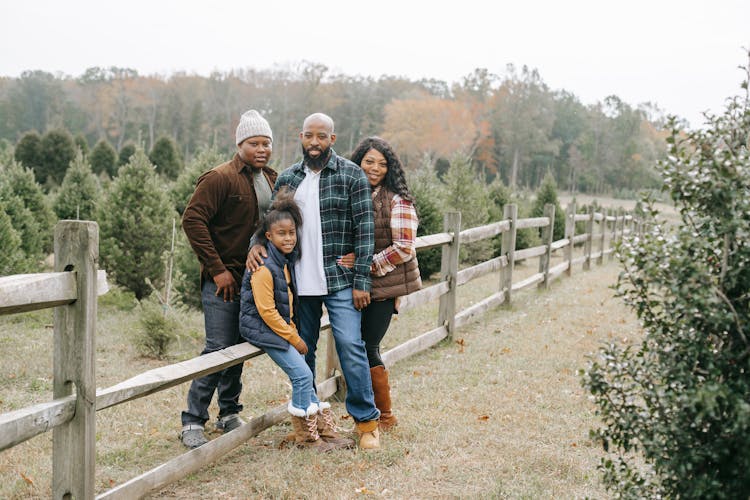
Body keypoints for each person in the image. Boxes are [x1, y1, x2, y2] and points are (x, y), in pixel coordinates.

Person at [247, 113, 381, 449]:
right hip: (297, 284)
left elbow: (365, 231)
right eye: (309, 136)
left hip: (339, 280)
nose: (315, 142)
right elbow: (272, 225)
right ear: (301, 136)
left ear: (332, 139)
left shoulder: (351, 175)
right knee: (302, 350)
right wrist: (255, 246)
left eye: (322, 136)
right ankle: (306, 427)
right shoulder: (289, 178)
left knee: (351, 346)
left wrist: (361, 278)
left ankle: (367, 423)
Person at [180, 109, 277, 449]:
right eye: (254, 143)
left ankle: (229, 413)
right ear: (240, 144)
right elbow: (193, 221)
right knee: (218, 348)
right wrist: (217, 269)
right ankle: (192, 419)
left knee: (239, 348)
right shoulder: (219, 178)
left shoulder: (271, 179)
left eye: (266, 143)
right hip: (224, 280)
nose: (261, 149)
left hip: (254, 281)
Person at [239, 190, 353, 451]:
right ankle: (305, 438)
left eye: (292, 232)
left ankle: (323, 430)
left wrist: (291, 331)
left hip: (281, 328)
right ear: (268, 236)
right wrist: (295, 338)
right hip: (264, 329)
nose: (288, 238)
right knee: (303, 376)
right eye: (282, 233)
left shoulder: (286, 261)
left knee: (305, 375)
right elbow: (267, 312)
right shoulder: (263, 267)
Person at [342, 137, 422, 431]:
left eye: (382, 163)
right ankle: (367, 411)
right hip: (357, 286)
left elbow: (404, 247)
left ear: (390, 169)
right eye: (369, 161)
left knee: (367, 346)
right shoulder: (353, 193)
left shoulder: (396, 200)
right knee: (353, 346)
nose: (375, 168)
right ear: (357, 162)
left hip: (382, 287)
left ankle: (384, 416)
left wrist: (365, 265)